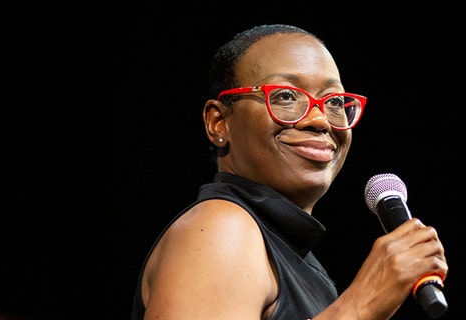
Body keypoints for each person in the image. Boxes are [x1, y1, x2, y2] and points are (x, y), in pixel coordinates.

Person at [131, 24, 448, 320]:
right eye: (285, 96)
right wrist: (360, 305)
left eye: (334, 101)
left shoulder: (294, 259)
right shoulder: (221, 230)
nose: (320, 120)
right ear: (219, 122)